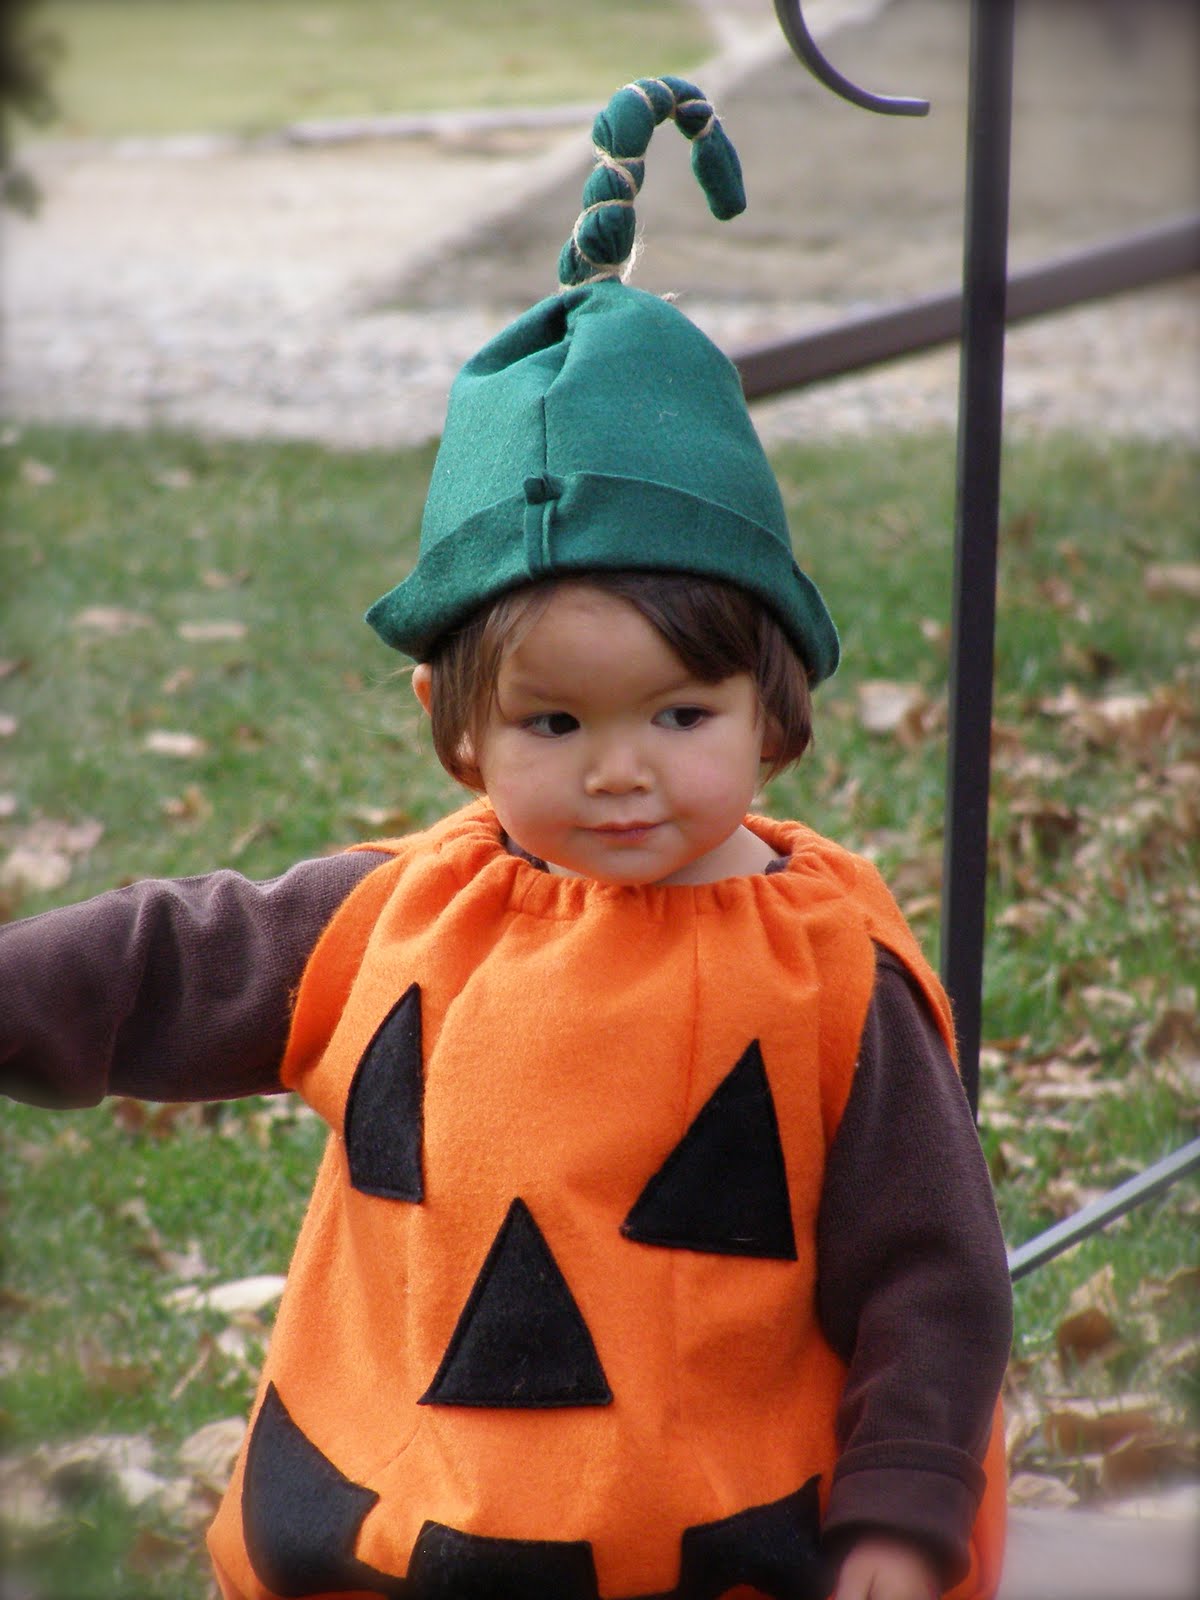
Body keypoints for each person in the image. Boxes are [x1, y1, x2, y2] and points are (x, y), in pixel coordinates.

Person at [0, 77, 1011, 1600]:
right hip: (387, 1542)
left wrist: (898, 1515)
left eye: (681, 717)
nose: (623, 776)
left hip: (728, 1555)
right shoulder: (394, 925)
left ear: (775, 709)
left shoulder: (829, 981)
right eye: (556, 726)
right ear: (455, 722)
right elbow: (151, 965)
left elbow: (929, 1276)